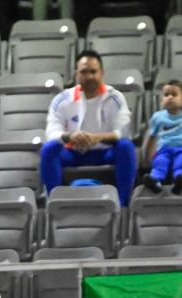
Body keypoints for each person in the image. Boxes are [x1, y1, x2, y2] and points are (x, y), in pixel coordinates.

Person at [42, 51, 136, 205]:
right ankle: (54, 202)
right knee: (49, 149)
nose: (89, 76)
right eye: (84, 72)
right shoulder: (62, 99)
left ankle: (123, 204)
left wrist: (97, 137)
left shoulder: (115, 98)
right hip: (73, 152)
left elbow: (123, 132)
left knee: (126, 146)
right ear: (76, 74)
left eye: (93, 71)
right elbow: (52, 131)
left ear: (102, 73)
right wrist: (70, 136)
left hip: (104, 152)